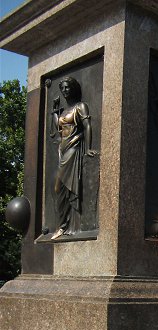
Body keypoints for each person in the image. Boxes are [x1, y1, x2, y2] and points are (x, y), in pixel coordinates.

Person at [50, 77, 98, 240]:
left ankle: (63, 226)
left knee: (60, 187)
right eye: (62, 88)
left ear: (73, 88)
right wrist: (54, 111)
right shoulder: (64, 111)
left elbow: (87, 126)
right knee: (58, 188)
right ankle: (64, 225)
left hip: (74, 149)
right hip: (62, 150)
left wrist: (89, 148)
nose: (64, 91)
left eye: (67, 87)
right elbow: (58, 127)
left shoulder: (80, 106)